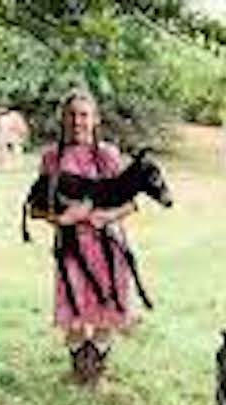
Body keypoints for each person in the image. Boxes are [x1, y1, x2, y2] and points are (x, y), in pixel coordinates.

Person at [39, 88, 138, 383]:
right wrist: (61, 218)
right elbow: (38, 207)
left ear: (95, 119)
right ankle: (79, 365)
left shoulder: (108, 156)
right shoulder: (51, 158)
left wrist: (106, 215)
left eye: (84, 115)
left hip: (107, 245)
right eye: (72, 115)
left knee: (106, 312)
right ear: (63, 120)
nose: (78, 121)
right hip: (71, 246)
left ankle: (95, 369)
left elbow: (131, 202)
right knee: (72, 312)